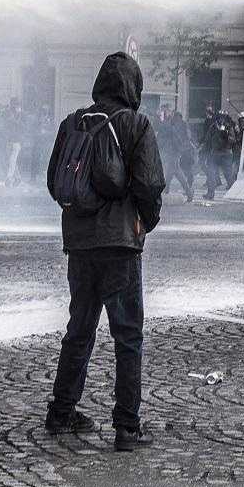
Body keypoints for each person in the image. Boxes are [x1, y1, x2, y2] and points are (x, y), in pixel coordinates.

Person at [44, 52, 165, 451]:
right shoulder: (136, 124)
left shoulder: (73, 122)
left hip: (79, 244)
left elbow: (53, 181)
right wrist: (145, 221)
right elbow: (149, 184)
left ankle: (62, 412)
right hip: (119, 245)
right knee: (128, 335)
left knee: (79, 328)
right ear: (134, 88)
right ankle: (127, 427)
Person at [155, 103, 196, 202]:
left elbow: (172, 130)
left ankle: (168, 190)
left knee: (174, 171)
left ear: (171, 111)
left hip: (175, 149)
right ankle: (187, 193)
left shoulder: (177, 119)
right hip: (167, 149)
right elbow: (159, 129)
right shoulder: (166, 120)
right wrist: (158, 118)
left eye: (166, 111)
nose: (165, 114)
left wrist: (162, 121)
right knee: (174, 171)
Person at [199, 107, 239, 200]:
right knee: (211, 173)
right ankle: (210, 193)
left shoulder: (229, 127)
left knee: (228, 175)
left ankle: (234, 191)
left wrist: (225, 134)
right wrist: (203, 152)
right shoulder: (213, 127)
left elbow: (233, 141)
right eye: (220, 117)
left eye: (223, 118)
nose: (221, 119)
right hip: (214, 154)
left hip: (226, 155)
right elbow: (207, 141)